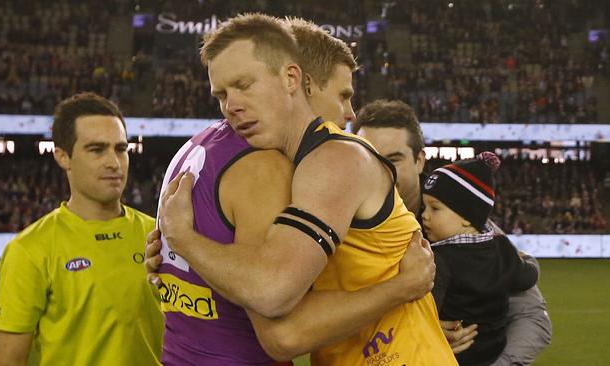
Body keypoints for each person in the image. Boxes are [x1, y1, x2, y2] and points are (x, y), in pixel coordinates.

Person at [157, 13, 456, 366]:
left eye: (244, 85)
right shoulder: (289, 167)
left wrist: (184, 240)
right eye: (221, 94)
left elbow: (278, 315)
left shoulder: (335, 159)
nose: (230, 106)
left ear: (292, 78)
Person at [353, 99, 552, 365]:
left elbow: (531, 316)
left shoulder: (461, 223)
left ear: (420, 160)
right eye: (367, 160)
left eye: (394, 160)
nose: (381, 173)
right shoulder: (339, 223)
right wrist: (424, 326)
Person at [0, 92, 164, 366]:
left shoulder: (159, 236)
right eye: (97, 150)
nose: (114, 162)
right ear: (62, 157)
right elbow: (7, 361)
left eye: (121, 149)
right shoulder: (30, 249)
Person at [421, 152, 539, 366]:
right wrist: (530, 260)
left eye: (435, 208)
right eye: (425, 207)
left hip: (453, 355)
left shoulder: (439, 259)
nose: (424, 215)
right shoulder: (502, 247)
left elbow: (423, 313)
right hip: (494, 353)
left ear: (467, 217)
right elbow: (527, 277)